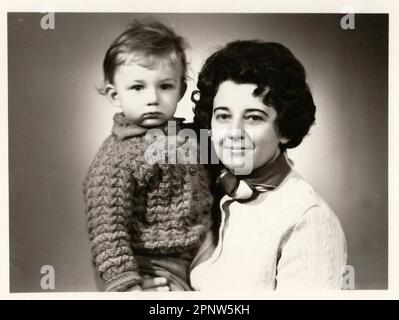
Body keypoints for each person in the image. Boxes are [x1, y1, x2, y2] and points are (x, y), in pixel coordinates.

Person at [188, 40, 347, 290]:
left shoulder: (309, 220)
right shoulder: (212, 190)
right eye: (223, 116)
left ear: (284, 129)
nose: (233, 132)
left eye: (253, 117)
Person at [82, 20, 213, 292]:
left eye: (165, 86)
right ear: (115, 95)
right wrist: (127, 287)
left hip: (202, 249)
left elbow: (216, 170)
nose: (152, 98)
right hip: (155, 263)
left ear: (181, 91)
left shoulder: (189, 136)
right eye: (138, 87)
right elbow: (107, 231)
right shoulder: (116, 158)